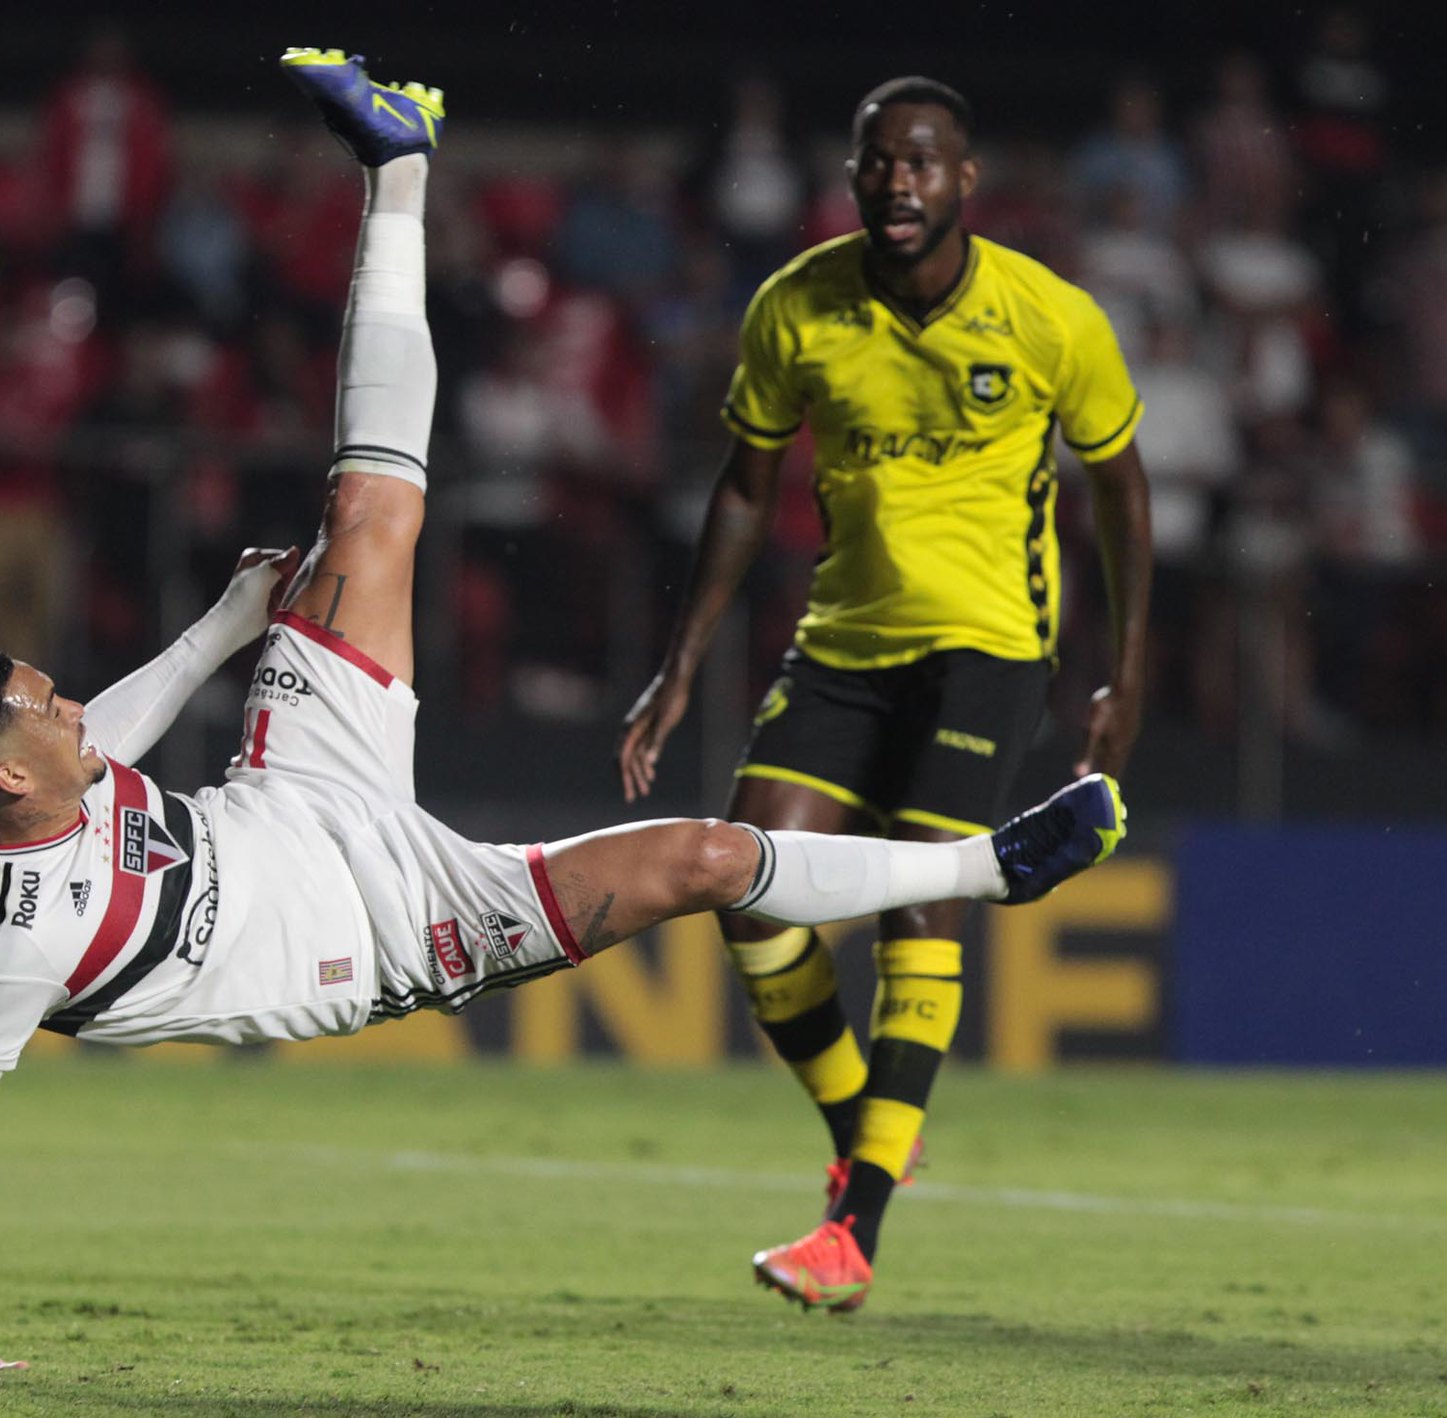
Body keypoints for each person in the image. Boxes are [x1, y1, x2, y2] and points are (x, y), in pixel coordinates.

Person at [0, 54, 1133, 1372]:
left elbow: (112, 743)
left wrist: (222, 631)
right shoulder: (10, 939)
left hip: (291, 789)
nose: (72, 706)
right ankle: (990, 869)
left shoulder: (43, 778)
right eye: (46, 705)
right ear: (8, 782)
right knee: (703, 858)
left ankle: (399, 165)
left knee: (366, 513)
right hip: (379, 933)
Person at [616, 77, 1152, 1312]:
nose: (896, 183)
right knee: (744, 887)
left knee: (924, 897)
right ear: (853, 176)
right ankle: (873, 1124)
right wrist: (683, 657)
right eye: (875, 163)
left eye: (920, 164)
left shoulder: (1046, 317)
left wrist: (1128, 668)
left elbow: (1119, 489)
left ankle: (849, 1228)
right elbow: (747, 487)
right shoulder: (795, 306)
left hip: (988, 642)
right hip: (842, 641)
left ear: (964, 181)